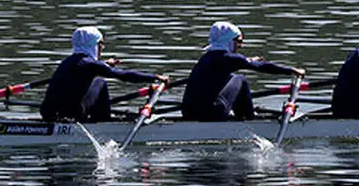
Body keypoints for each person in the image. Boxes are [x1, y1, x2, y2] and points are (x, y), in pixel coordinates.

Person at [39, 26, 168, 123]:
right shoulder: (92, 65)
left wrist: (104, 64)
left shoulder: (68, 62)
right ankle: (103, 120)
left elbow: (91, 67)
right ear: (94, 45)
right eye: (101, 43)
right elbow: (124, 75)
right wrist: (155, 77)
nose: (102, 47)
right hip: (73, 114)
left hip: (47, 113)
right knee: (100, 82)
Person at [181, 22, 304, 121]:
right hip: (212, 114)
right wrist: (292, 71)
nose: (241, 46)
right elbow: (262, 66)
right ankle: (249, 119)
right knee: (241, 79)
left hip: (188, 113)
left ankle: (242, 114)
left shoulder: (207, 57)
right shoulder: (229, 58)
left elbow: (239, 62)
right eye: (239, 41)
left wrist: (247, 60)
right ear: (229, 41)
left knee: (231, 77)